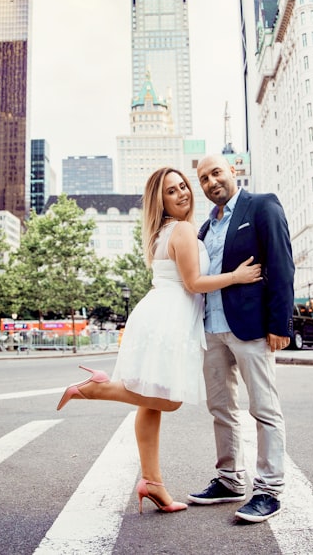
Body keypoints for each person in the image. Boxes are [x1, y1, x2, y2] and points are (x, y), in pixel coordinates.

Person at [56, 166, 261, 514]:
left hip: (159, 314)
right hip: (169, 319)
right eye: (171, 191)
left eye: (183, 186)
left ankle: (153, 484)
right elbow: (194, 283)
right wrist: (236, 276)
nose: (182, 193)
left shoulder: (164, 231)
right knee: (168, 400)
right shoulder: (181, 229)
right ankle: (96, 388)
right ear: (160, 201)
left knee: (150, 405)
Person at [187, 154, 295, 524]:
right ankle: (230, 478)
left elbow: (282, 263)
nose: (211, 182)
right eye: (203, 178)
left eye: (216, 173)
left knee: (264, 408)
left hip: (250, 328)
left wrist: (280, 324)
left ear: (233, 171)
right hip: (212, 329)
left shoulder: (262, 206)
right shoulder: (204, 228)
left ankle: (268, 490)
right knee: (221, 409)